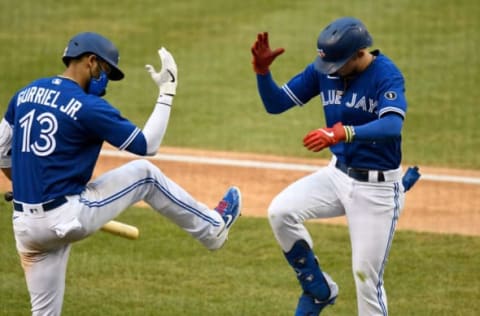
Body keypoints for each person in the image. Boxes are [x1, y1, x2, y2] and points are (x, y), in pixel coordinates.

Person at [0, 32, 242, 315]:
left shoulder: (25, 94)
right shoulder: (88, 107)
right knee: (145, 175)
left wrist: (28, 184)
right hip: (65, 216)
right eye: (105, 70)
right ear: (90, 61)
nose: (106, 80)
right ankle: (212, 229)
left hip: (26, 227)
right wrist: (167, 92)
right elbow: (147, 145)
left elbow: (2, 152)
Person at [251, 17, 407, 316]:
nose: (331, 70)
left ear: (360, 53)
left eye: (338, 62)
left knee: (366, 279)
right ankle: (318, 289)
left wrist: (343, 132)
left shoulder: (386, 75)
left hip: (377, 190)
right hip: (337, 175)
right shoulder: (325, 69)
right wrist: (262, 72)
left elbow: (392, 125)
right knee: (281, 212)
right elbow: (276, 103)